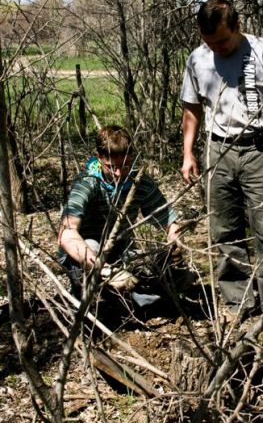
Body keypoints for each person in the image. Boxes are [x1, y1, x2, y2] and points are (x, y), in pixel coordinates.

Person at [180, 0, 263, 317]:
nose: (216, 47)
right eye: (209, 42)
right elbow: (191, 108)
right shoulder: (197, 60)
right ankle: (238, 302)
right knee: (224, 230)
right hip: (218, 151)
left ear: (237, 26)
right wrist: (188, 152)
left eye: (222, 40)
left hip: (260, 151)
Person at [58, 125, 181, 305]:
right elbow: (66, 235)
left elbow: (169, 220)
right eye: (111, 167)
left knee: (162, 265)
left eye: (124, 166)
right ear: (99, 158)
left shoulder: (140, 182)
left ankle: (136, 301)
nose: (118, 173)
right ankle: (92, 306)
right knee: (92, 245)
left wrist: (175, 241)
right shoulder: (87, 183)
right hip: (84, 254)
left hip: (121, 248)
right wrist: (104, 269)